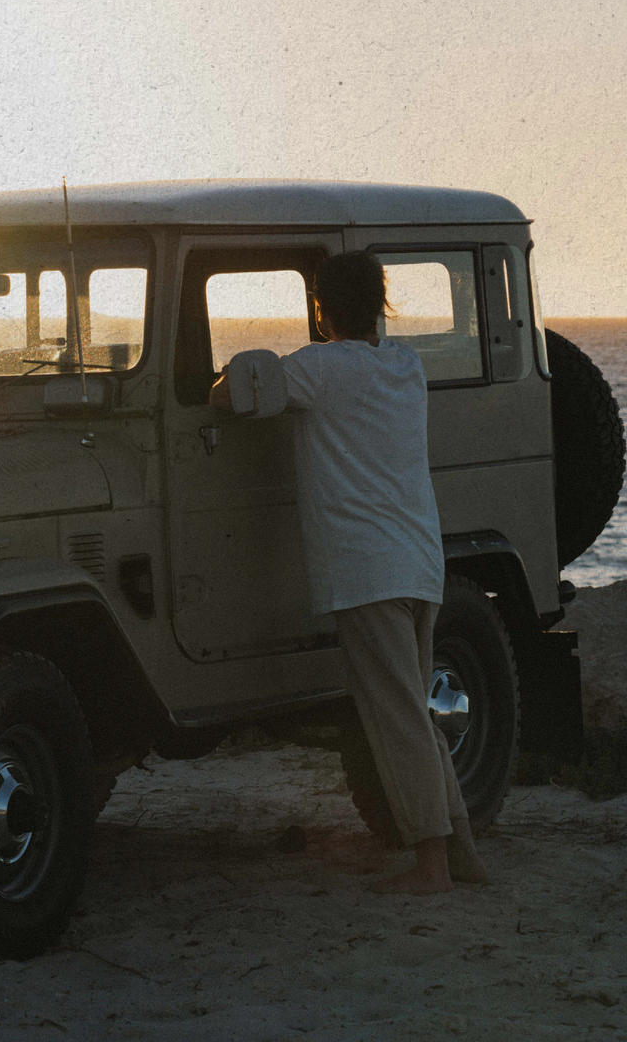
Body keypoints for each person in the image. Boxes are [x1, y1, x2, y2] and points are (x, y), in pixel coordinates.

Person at [211, 250, 487, 894]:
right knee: (414, 714)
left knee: (397, 721)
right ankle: (463, 853)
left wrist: (220, 382)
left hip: (368, 571)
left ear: (320, 308)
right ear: (379, 306)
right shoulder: (406, 367)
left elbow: (235, 395)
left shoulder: (319, 369)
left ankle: (432, 867)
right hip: (419, 563)